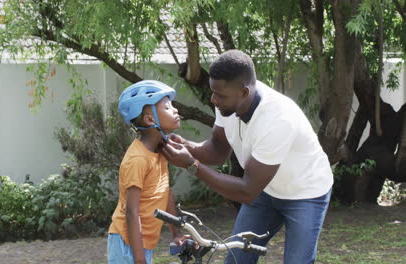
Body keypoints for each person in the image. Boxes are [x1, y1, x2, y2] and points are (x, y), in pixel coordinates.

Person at [161, 50, 333, 264]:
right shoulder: (227, 102)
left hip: (305, 193)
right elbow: (217, 149)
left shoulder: (278, 119)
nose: (214, 100)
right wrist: (188, 146)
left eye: (220, 95)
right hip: (265, 190)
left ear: (244, 92)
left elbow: (247, 191)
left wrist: (191, 165)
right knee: (236, 260)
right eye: (213, 92)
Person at [107, 80, 187, 264]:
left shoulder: (161, 150)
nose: (175, 110)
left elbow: (165, 192)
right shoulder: (138, 159)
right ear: (150, 119)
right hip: (127, 245)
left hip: (142, 245)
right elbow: (131, 212)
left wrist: (176, 233)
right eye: (168, 107)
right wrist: (140, 259)